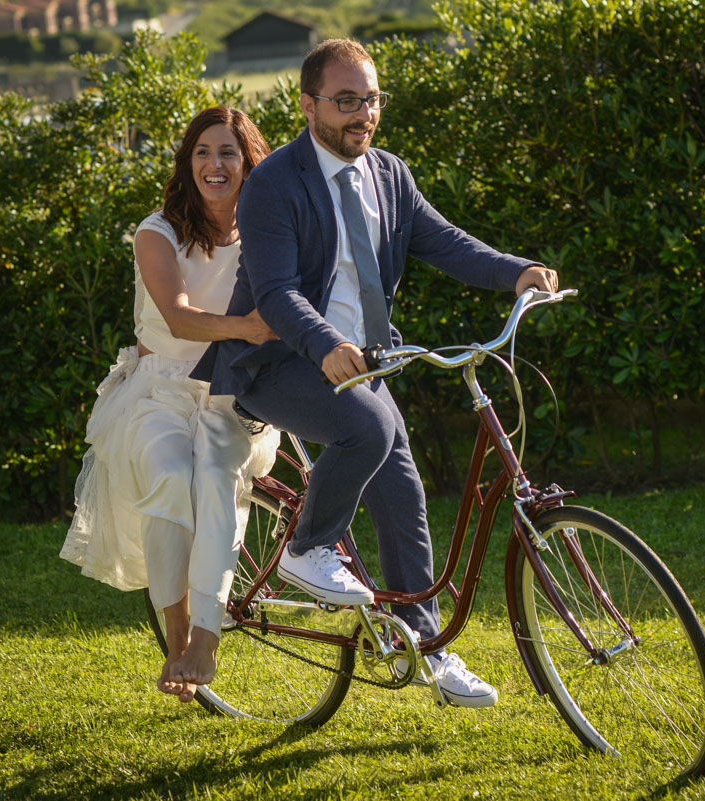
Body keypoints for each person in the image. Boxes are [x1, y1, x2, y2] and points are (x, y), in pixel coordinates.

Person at [192, 40, 559, 708]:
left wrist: (515, 271)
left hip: (364, 361)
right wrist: (323, 340)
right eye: (346, 101)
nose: (363, 114)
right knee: (365, 429)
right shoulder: (273, 183)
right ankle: (308, 547)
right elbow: (274, 291)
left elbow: (445, 242)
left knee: (404, 494)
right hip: (279, 360)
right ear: (308, 105)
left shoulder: (390, 174)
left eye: (372, 99)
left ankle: (426, 646)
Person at [61, 106, 280, 703]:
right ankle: (177, 634)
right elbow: (179, 317)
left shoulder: (266, 231)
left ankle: (206, 637)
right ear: (188, 163)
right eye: (203, 152)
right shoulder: (157, 231)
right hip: (158, 391)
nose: (215, 163)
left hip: (230, 393)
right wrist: (248, 327)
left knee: (214, 479)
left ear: (248, 162)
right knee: (168, 475)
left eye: (228, 152)